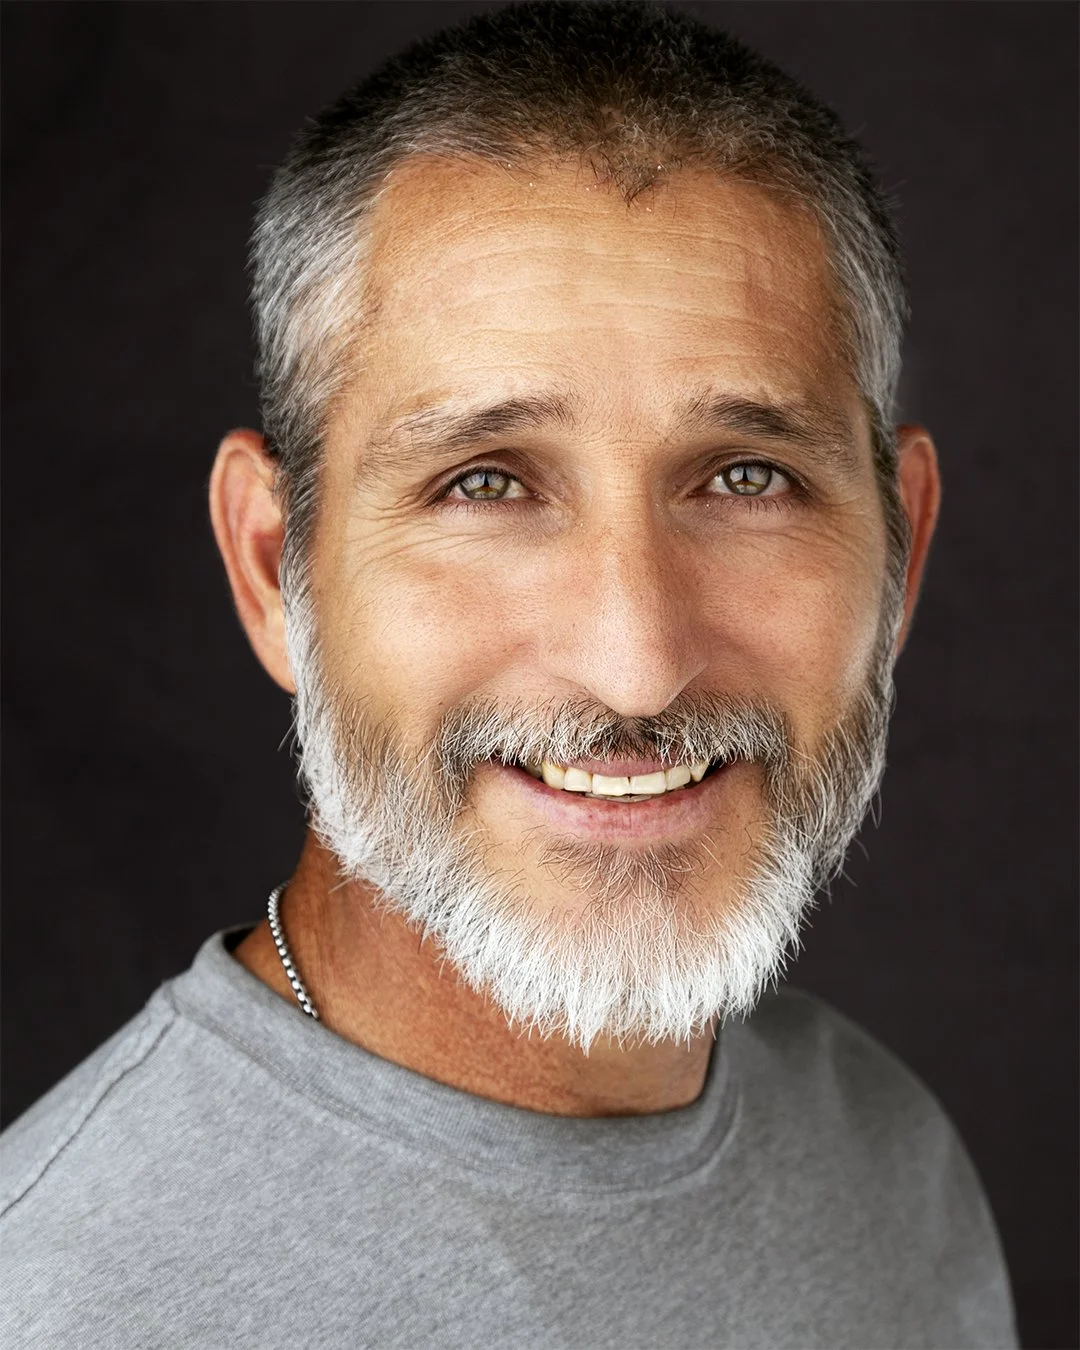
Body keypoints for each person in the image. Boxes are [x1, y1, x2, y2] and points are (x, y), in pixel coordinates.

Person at [0, 3, 1018, 1346]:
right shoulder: (60, 1301)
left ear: (902, 555)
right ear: (270, 570)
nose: (637, 664)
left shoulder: (891, 1165)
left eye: (745, 477)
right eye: (485, 483)